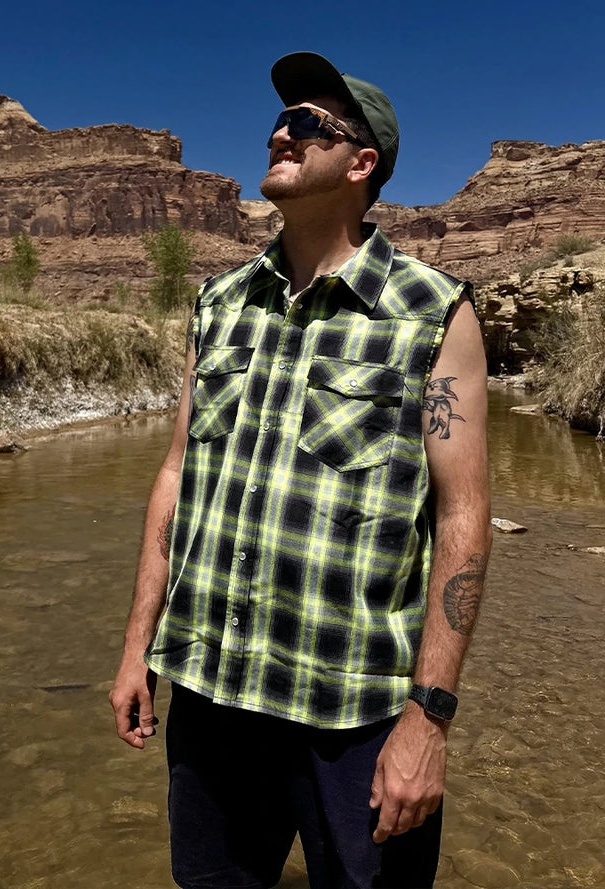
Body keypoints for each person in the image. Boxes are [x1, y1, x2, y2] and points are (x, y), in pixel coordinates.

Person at [110, 51, 492, 889]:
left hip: (354, 714)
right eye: (282, 119)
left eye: (311, 123)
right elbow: (177, 474)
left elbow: (462, 520)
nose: (282, 130)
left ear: (361, 165)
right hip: (211, 696)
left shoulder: (436, 311)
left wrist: (428, 723)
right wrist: (138, 645)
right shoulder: (217, 303)